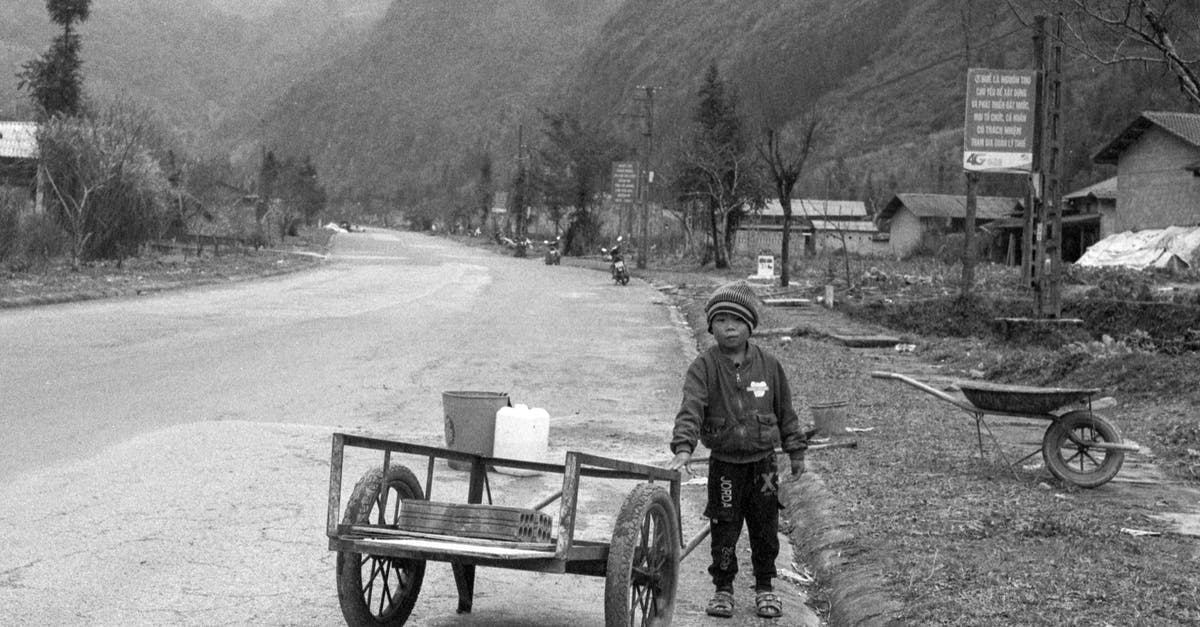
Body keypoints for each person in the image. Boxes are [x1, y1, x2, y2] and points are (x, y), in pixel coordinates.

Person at [666, 280, 808, 620]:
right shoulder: (704, 366)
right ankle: (723, 589)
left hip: (763, 467)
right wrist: (684, 448)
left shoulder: (770, 365)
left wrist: (796, 450)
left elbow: (786, 411)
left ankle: (765, 587)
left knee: (764, 528)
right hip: (725, 466)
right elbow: (691, 408)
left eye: (737, 321)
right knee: (724, 530)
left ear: (750, 326)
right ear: (711, 326)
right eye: (721, 320)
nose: (729, 327)